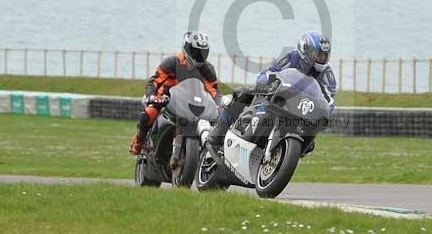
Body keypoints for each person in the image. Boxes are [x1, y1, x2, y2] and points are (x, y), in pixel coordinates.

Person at [206, 30, 336, 149]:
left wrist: (324, 113)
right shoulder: (292, 58)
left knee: (310, 145)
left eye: (325, 56)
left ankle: (279, 160)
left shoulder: (327, 74)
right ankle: (217, 133)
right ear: (306, 51)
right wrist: (266, 83)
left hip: (300, 111)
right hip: (278, 96)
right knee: (242, 94)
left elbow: (329, 100)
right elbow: (268, 72)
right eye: (319, 55)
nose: (322, 59)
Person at [129, 31, 220, 155]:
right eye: (195, 51)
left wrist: (220, 105)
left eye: (203, 52)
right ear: (186, 48)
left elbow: (214, 91)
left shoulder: (207, 69)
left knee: (215, 121)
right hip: (166, 98)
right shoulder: (172, 62)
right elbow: (154, 81)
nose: (199, 55)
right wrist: (152, 96)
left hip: (190, 103)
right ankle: (139, 140)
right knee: (149, 113)